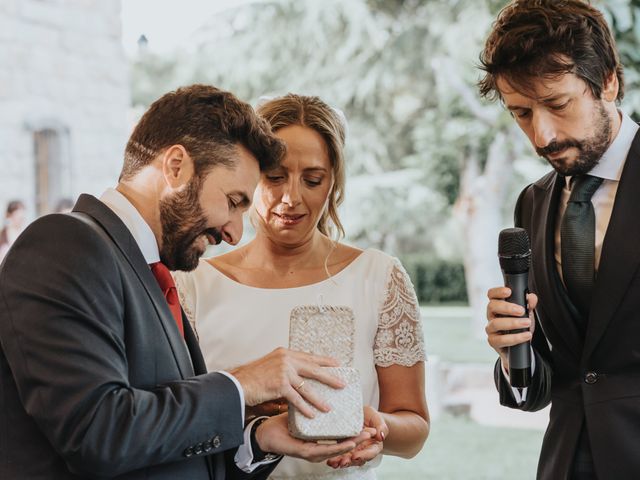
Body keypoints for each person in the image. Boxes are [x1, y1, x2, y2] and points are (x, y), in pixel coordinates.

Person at [0, 85, 374, 480]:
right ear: (176, 166)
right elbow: (100, 433)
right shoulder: (64, 245)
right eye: (233, 201)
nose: (233, 232)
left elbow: (168, 446)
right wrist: (242, 385)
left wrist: (259, 440)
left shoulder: (149, 272)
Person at [174, 94, 430, 480]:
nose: (291, 198)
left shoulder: (378, 277)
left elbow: (414, 430)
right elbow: (176, 420)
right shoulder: (193, 285)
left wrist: (379, 427)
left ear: (333, 183)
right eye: (275, 177)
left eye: (312, 180)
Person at [480, 1, 640, 478]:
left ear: (608, 81)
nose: (541, 135)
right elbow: (561, 381)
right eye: (522, 113)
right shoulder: (532, 202)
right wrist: (516, 352)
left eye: (557, 104)